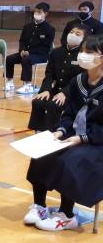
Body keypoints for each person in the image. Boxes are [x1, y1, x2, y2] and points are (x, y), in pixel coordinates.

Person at [24, 34, 103, 232]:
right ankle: (40, 205)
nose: (83, 55)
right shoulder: (78, 81)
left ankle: (67, 215)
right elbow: (69, 114)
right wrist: (60, 131)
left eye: (89, 52)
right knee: (42, 152)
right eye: (82, 51)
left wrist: (82, 138)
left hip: (96, 142)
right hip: (74, 136)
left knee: (70, 160)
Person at [28, 23, 87, 132]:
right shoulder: (56, 52)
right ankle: (38, 130)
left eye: (78, 34)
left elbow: (81, 79)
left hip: (74, 93)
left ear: (84, 39)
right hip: (56, 90)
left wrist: (65, 93)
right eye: (72, 32)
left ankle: (51, 132)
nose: (73, 35)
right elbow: (49, 74)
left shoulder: (83, 56)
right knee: (38, 101)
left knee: (54, 104)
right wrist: (46, 90)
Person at [5, 2, 56, 95]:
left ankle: (28, 85)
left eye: (39, 12)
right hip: (25, 52)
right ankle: (10, 82)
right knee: (9, 59)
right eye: (35, 11)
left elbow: (46, 46)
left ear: (45, 14)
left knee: (26, 60)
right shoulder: (27, 27)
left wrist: (30, 52)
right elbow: (22, 41)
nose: (36, 14)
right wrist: (22, 50)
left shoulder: (50, 29)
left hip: (41, 55)